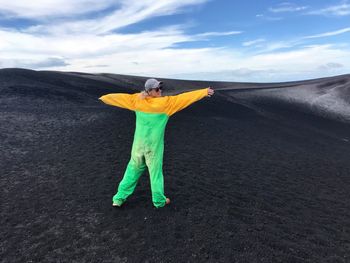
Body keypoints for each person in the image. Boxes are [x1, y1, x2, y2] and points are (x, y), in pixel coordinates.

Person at [99, 78, 215, 208]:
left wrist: (105, 98)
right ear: (149, 91)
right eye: (157, 89)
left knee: (131, 171)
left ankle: (118, 199)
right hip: (153, 148)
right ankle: (159, 201)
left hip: (138, 147)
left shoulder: (138, 100)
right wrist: (204, 92)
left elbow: (120, 98)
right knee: (155, 174)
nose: (160, 91)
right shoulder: (166, 104)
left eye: (160, 88)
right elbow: (184, 98)